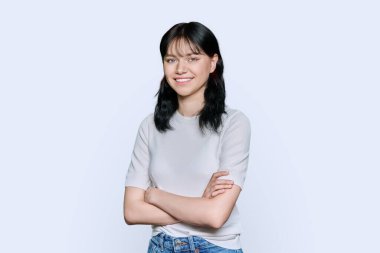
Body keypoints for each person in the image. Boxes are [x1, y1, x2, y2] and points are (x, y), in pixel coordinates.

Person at [123, 21, 251, 253]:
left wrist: (154, 195)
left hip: (213, 247)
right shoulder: (149, 126)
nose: (180, 69)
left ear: (213, 63)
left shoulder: (234, 124)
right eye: (171, 60)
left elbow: (214, 216)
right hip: (160, 246)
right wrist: (199, 204)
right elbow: (132, 212)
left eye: (192, 58)